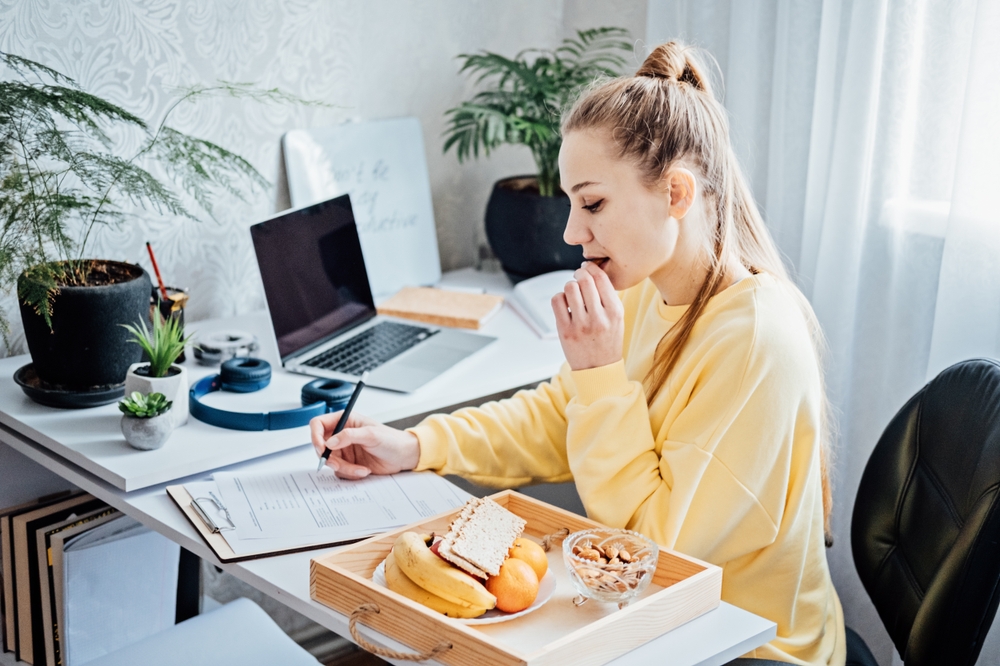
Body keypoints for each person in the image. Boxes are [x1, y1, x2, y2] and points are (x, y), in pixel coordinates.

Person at [310, 41, 846, 665]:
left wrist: (598, 374)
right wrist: (418, 444)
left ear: (676, 194)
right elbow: (560, 414)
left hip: (747, 649)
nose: (570, 232)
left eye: (592, 203)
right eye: (571, 202)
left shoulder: (755, 340)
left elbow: (648, 552)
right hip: (664, 621)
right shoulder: (649, 289)